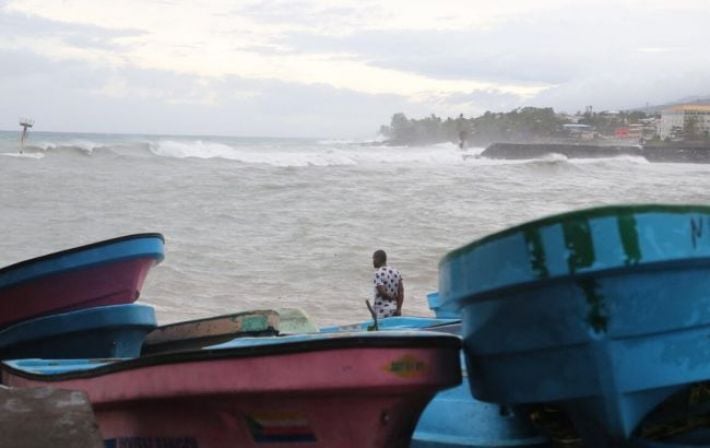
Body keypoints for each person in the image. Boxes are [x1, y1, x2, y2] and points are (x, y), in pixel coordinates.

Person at [371, 249, 404, 318]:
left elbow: (382, 293)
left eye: (373, 259)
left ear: (378, 258)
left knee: (380, 328)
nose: (373, 261)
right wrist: (399, 309)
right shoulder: (396, 272)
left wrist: (392, 298)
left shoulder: (377, 273)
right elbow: (401, 292)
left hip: (381, 310)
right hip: (394, 309)